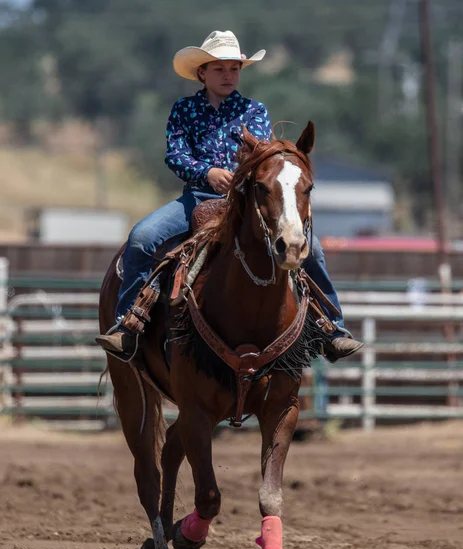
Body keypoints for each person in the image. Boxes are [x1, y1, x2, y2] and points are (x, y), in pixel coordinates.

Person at [96, 30, 363, 360]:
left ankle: (331, 328)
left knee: (313, 250)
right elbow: (174, 155)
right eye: (219, 69)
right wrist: (206, 173)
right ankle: (127, 326)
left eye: (234, 69)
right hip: (195, 198)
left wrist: (238, 177)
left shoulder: (254, 111)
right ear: (202, 73)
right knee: (142, 237)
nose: (228, 75)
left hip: (245, 202)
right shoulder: (184, 110)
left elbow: (263, 161)